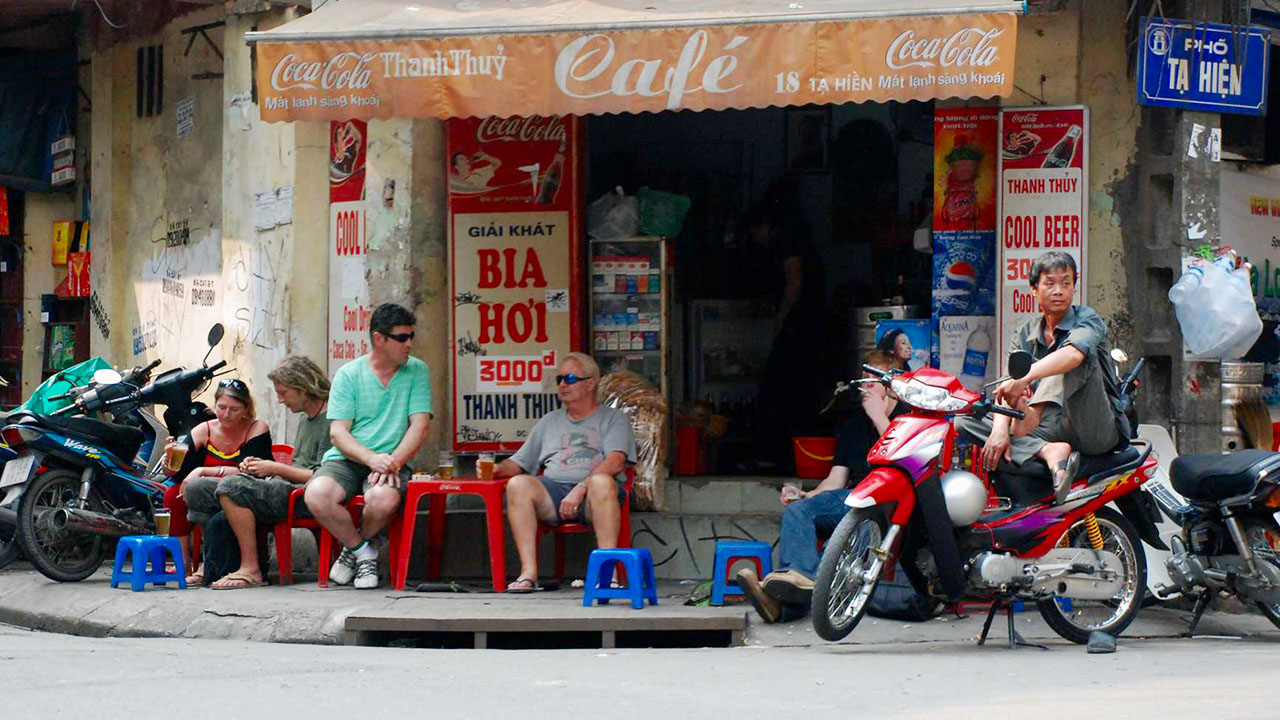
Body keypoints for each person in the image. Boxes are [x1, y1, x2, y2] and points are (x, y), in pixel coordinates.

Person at [736, 350, 905, 623]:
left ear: (892, 386)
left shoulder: (906, 419)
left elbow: (903, 459)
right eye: (864, 380)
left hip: (888, 506)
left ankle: (784, 607)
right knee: (800, 510)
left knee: (853, 531)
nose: (867, 388)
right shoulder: (853, 425)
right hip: (851, 497)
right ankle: (796, 577)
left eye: (875, 381)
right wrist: (807, 495)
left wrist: (878, 418)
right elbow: (836, 479)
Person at [957, 251, 1127, 504]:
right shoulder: (1025, 332)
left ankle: (1030, 417)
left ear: (1074, 287)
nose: (1059, 291)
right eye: (1050, 283)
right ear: (1034, 289)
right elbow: (1006, 385)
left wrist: (1024, 379)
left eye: (1066, 283)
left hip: (1094, 426)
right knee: (964, 419)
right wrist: (1000, 430)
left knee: (1073, 357)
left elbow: (1072, 356)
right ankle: (1048, 451)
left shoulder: (1087, 319)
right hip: (1050, 430)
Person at [305, 303, 432, 589]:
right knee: (317, 493)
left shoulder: (417, 371)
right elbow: (338, 433)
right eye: (402, 337)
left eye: (411, 336)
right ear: (379, 339)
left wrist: (393, 462)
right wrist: (372, 459)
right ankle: (364, 552)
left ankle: (351, 552)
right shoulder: (348, 374)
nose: (409, 344)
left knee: (383, 499)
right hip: (348, 458)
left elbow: (420, 426)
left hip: (393, 461)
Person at [183, 356, 333, 589]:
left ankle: (251, 568)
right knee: (197, 488)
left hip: (308, 495)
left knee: (232, 486)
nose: (280, 400)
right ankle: (211, 563)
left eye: (283, 393)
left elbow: (322, 477)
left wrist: (273, 467)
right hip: (283, 485)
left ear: (303, 388)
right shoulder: (306, 418)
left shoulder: (331, 420)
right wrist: (259, 467)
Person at [494, 352, 636, 593]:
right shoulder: (549, 421)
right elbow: (519, 462)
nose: (562, 385)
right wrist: (496, 469)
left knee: (602, 481)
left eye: (570, 379)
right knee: (518, 484)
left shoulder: (613, 418)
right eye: (559, 379)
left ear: (590, 383)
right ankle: (528, 574)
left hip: (595, 496)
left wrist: (581, 488)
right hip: (553, 491)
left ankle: (607, 573)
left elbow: (615, 461)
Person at [162, 378, 272, 584]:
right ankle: (182, 562)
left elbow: (249, 471)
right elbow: (175, 474)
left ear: (246, 409)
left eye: (234, 409)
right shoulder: (204, 429)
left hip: (242, 490)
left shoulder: (256, 428)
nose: (226, 414)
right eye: (221, 407)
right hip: (205, 491)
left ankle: (209, 563)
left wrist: (204, 471)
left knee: (201, 489)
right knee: (172, 494)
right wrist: (170, 458)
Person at [748, 198, 828, 470]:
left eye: (754, 233)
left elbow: (794, 281)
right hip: (810, 326)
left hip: (799, 325)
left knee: (778, 388)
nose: (756, 240)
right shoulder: (802, 238)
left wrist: (781, 317)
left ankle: (776, 454)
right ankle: (792, 455)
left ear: (764, 226)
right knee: (797, 389)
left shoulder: (788, 241)